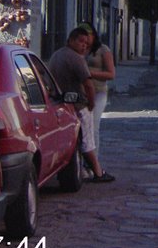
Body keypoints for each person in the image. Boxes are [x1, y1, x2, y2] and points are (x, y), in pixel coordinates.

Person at [47, 27, 114, 183]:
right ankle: (98, 172)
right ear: (71, 40)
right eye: (80, 41)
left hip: (60, 104)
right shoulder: (76, 59)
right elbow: (89, 85)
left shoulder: (56, 55)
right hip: (78, 105)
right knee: (87, 140)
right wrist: (90, 103)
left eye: (86, 42)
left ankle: (79, 170)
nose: (84, 45)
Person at [84, 24, 115, 155]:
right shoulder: (80, 49)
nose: (85, 39)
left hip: (98, 91)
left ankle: (93, 159)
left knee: (93, 126)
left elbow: (111, 74)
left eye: (87, 36)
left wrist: (89, 73)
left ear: (94, 35)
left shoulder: (103, 50)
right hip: (81, 91)